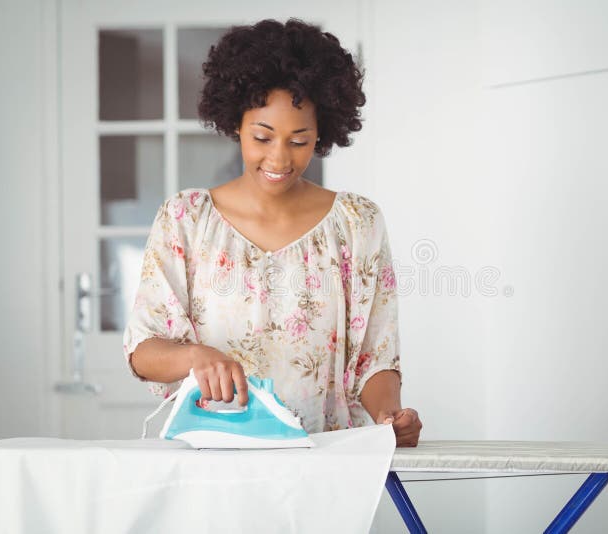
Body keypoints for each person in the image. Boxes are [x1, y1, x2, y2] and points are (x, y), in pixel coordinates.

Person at [123, 19, 422, 447]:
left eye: (299, 141)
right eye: (263, 137)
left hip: (326, 463)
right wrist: (197, 356)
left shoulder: (357, 223)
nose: (279, 159)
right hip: (211, 462)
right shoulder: (185, 219)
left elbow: (375, 357)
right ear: (236, 126)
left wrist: (389, 416)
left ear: (322, 132)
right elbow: (143, 350)